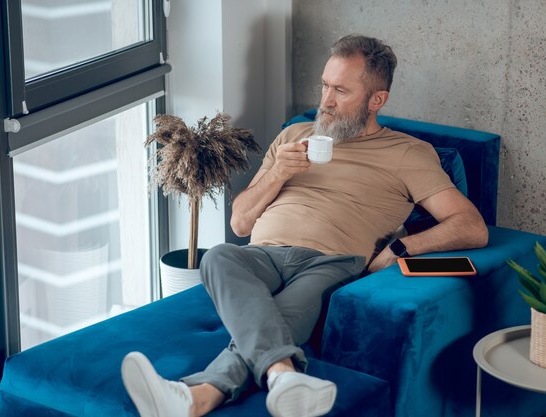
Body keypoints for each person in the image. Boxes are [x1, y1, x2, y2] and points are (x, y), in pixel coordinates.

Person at [120, 34, 488, 417]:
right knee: (218, 257)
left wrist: (401, 249)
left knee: (281, 316)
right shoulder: (294, 136)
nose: (325, 101)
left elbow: (471, 226)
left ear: (376, 100)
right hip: (261, 256)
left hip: (331, 263)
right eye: (325, 85)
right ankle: (283, 375)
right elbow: (241, 222)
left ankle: (194, 399)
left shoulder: (408, 153)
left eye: (341, 91)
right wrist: (278, 173)